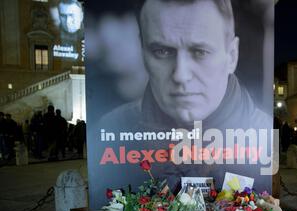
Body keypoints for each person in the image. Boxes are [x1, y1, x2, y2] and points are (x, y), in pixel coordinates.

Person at [97, 0, 272, 190]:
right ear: (143, 52)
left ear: (232, 56)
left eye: (200, 52)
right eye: (162, 51)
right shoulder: (108, 131)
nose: (181, 74)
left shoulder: (266, 136)